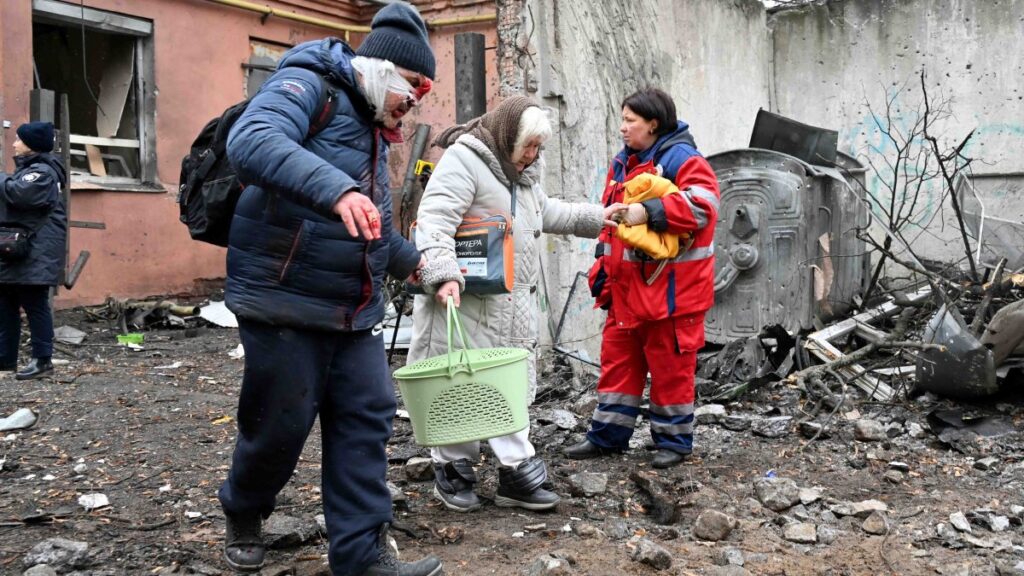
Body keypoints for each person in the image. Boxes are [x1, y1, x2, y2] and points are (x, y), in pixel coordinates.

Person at [218, 3, 443, 575]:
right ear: (384, 70)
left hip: (353, 310)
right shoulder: (306, 82)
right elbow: (251, 140)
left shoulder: (373, 133)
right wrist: (338, 190)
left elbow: (378, 230)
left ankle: (361, 557)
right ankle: (245, 508)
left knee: (367, 418)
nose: (415, 101)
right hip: (283, 297)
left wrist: (423, 269)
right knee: (279, 428)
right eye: (413, 86)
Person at [408, 96, 625, 512]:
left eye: (538, 147)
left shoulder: (520, 178)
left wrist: (598, 217)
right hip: (463, 301)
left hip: (510, 305)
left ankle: (514, 471)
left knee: (506, 386)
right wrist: (441, 273)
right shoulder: (464, 162)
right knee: (460, 384)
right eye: (529, 146)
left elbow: (546, 212)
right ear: (509, 137)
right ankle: (453, 469)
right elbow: (434, 220)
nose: (534, 154)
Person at [565, 88, 720, 469]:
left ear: (653, 124)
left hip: (671, 294)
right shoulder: (623, 163)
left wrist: (647, 211)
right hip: (627, 293)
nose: (622, 128)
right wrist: (603, 277)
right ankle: (607, 438)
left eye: (630, 121)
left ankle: (674, 442)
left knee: (670, 370)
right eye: (622, 119)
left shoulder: (683, 159)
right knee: (619, 363)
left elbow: (705, 206)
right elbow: (611, 229)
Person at [0, 121, 67, 381]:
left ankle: (42, 360)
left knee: (35, 306)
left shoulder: (43, 172)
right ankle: (5, 360)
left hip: (35, 252)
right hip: (18, 250)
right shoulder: (29, 170)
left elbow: (21, 195)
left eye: (19, 139)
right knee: (5, 305)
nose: (14, 144)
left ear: (31, 145)